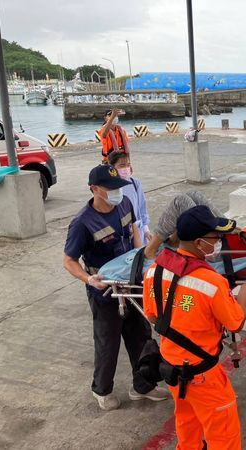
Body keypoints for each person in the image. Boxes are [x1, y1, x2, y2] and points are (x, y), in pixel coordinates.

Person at [143, 206, 246, 450]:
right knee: (223, 436)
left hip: (172, 368)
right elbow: (236, 322)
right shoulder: (212, 283)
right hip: (204, 375)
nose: (218, 242)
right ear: (199, 243)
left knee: (187, 425)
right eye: (215, 238)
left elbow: (153, 316)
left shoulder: (154, 271)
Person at [63, 164, 169, 411]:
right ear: (94, 189)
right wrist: (88, 279)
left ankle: (143, 386)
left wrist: (142, 262)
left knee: (140, 333)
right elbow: (68, 261)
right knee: (108, 341)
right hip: (105, 289)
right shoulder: (82, 224)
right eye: (110, 188)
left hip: (131, 283)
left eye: (118, 187)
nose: (117, 192)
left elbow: (134, 233)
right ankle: (101, 390)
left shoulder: (124, 204)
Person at [145, 191, 223, 259]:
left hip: (221, 247)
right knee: (194, 195)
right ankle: (174, 240)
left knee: (180, 201)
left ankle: (150, 250)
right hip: (228, 241)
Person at [108, 151, 151, 245]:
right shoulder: (108, 187)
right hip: (119, 236)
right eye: (122, 165)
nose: (126, 168)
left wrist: (146, 229)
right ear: (112, 167)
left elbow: (142, 207)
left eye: (128, 165)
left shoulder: (135, 184)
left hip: (138, 231)